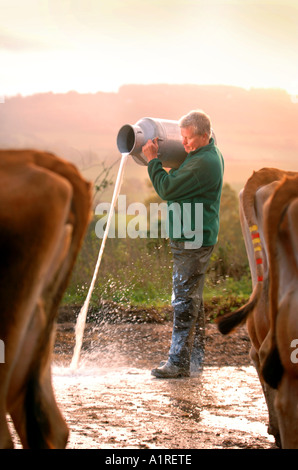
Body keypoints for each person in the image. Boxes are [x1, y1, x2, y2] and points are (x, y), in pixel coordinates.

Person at [142, 109, 224, 378]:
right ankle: (194, 361)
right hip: (195, 235)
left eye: (188, 138)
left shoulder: (203, 162)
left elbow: (167, 189)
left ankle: (177, 363)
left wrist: (153, 161)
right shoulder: (204, 155)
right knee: (192, 300)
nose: (184, 143)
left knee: (183, 301)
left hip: (192, 239)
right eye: (182, 137)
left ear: (204, 135)